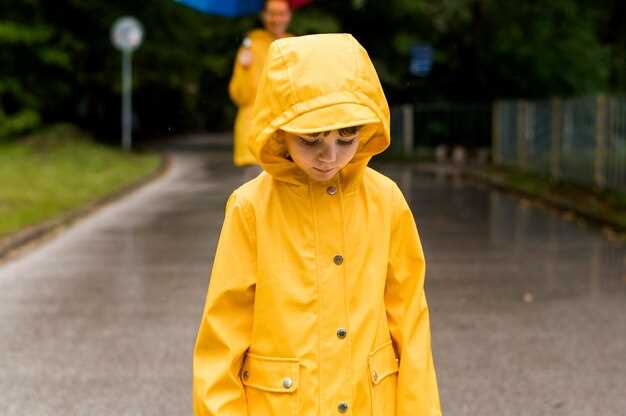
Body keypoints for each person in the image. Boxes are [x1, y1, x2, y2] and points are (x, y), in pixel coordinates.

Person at [193, 34, 442, 415]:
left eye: (347, 138)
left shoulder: (385, 199)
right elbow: (223, 333)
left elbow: (410, 322)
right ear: (280, 132)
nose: (330, 157)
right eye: (311, 141)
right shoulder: (250, 207)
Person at [228, 0, 292, 167]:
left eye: (281, 13)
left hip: (288, 134)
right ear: (264, 15)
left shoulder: (295, 46)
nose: (276, 19)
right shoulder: (250, 46)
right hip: (255, 134)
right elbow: (240, 96)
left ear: (289, 16)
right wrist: (244, 69)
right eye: (272, 13)